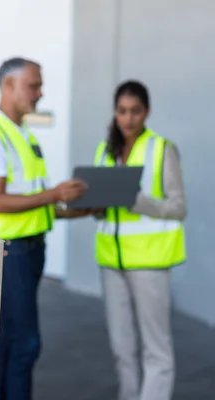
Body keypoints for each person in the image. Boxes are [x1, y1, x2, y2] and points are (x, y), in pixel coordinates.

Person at [0, 57, 90, 400]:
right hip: (10, 251)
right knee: (23, 345)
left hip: (28, 249)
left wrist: (70, 210)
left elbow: (30, 201)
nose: (40, 92)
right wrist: (56, 193)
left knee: (9, 344)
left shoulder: (21, 132)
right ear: (8, 86)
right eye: (34, 85)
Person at [93, 80, 186, 400]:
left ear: (147, 112)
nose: (128, 118)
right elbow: (104, 206)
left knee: (156, 351)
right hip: (111, 261)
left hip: (150, 262)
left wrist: (135, 200)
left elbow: (178, 208)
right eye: (121, 111)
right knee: (122, 349)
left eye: (135, 111)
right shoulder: (104, 150)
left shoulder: (162, 149)